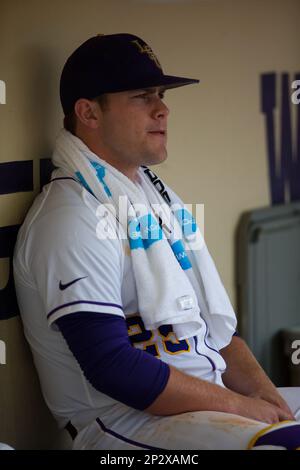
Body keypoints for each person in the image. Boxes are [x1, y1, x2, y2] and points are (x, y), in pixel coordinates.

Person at [13, 33, 300, 450]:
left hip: (208, 399)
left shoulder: (154, 199)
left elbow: (216, 333)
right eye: (142, 96)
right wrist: (244, 409)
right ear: (88, 112)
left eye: (161, 94)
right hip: (124, 427)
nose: (162, 109)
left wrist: (266, 396)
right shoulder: (70, 218)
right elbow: (112, 366)